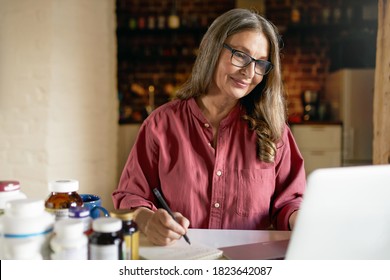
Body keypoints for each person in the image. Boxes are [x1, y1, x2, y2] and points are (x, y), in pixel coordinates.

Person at [112, 8, 306, 246]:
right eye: (240, 55)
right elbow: (131, 195)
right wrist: (148, 220)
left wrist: (301, 219)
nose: (249, 71)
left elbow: (289, 203)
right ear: (213, 49)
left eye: (260, 63)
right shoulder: (161, 124)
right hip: (179, 261)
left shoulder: (274, 131)